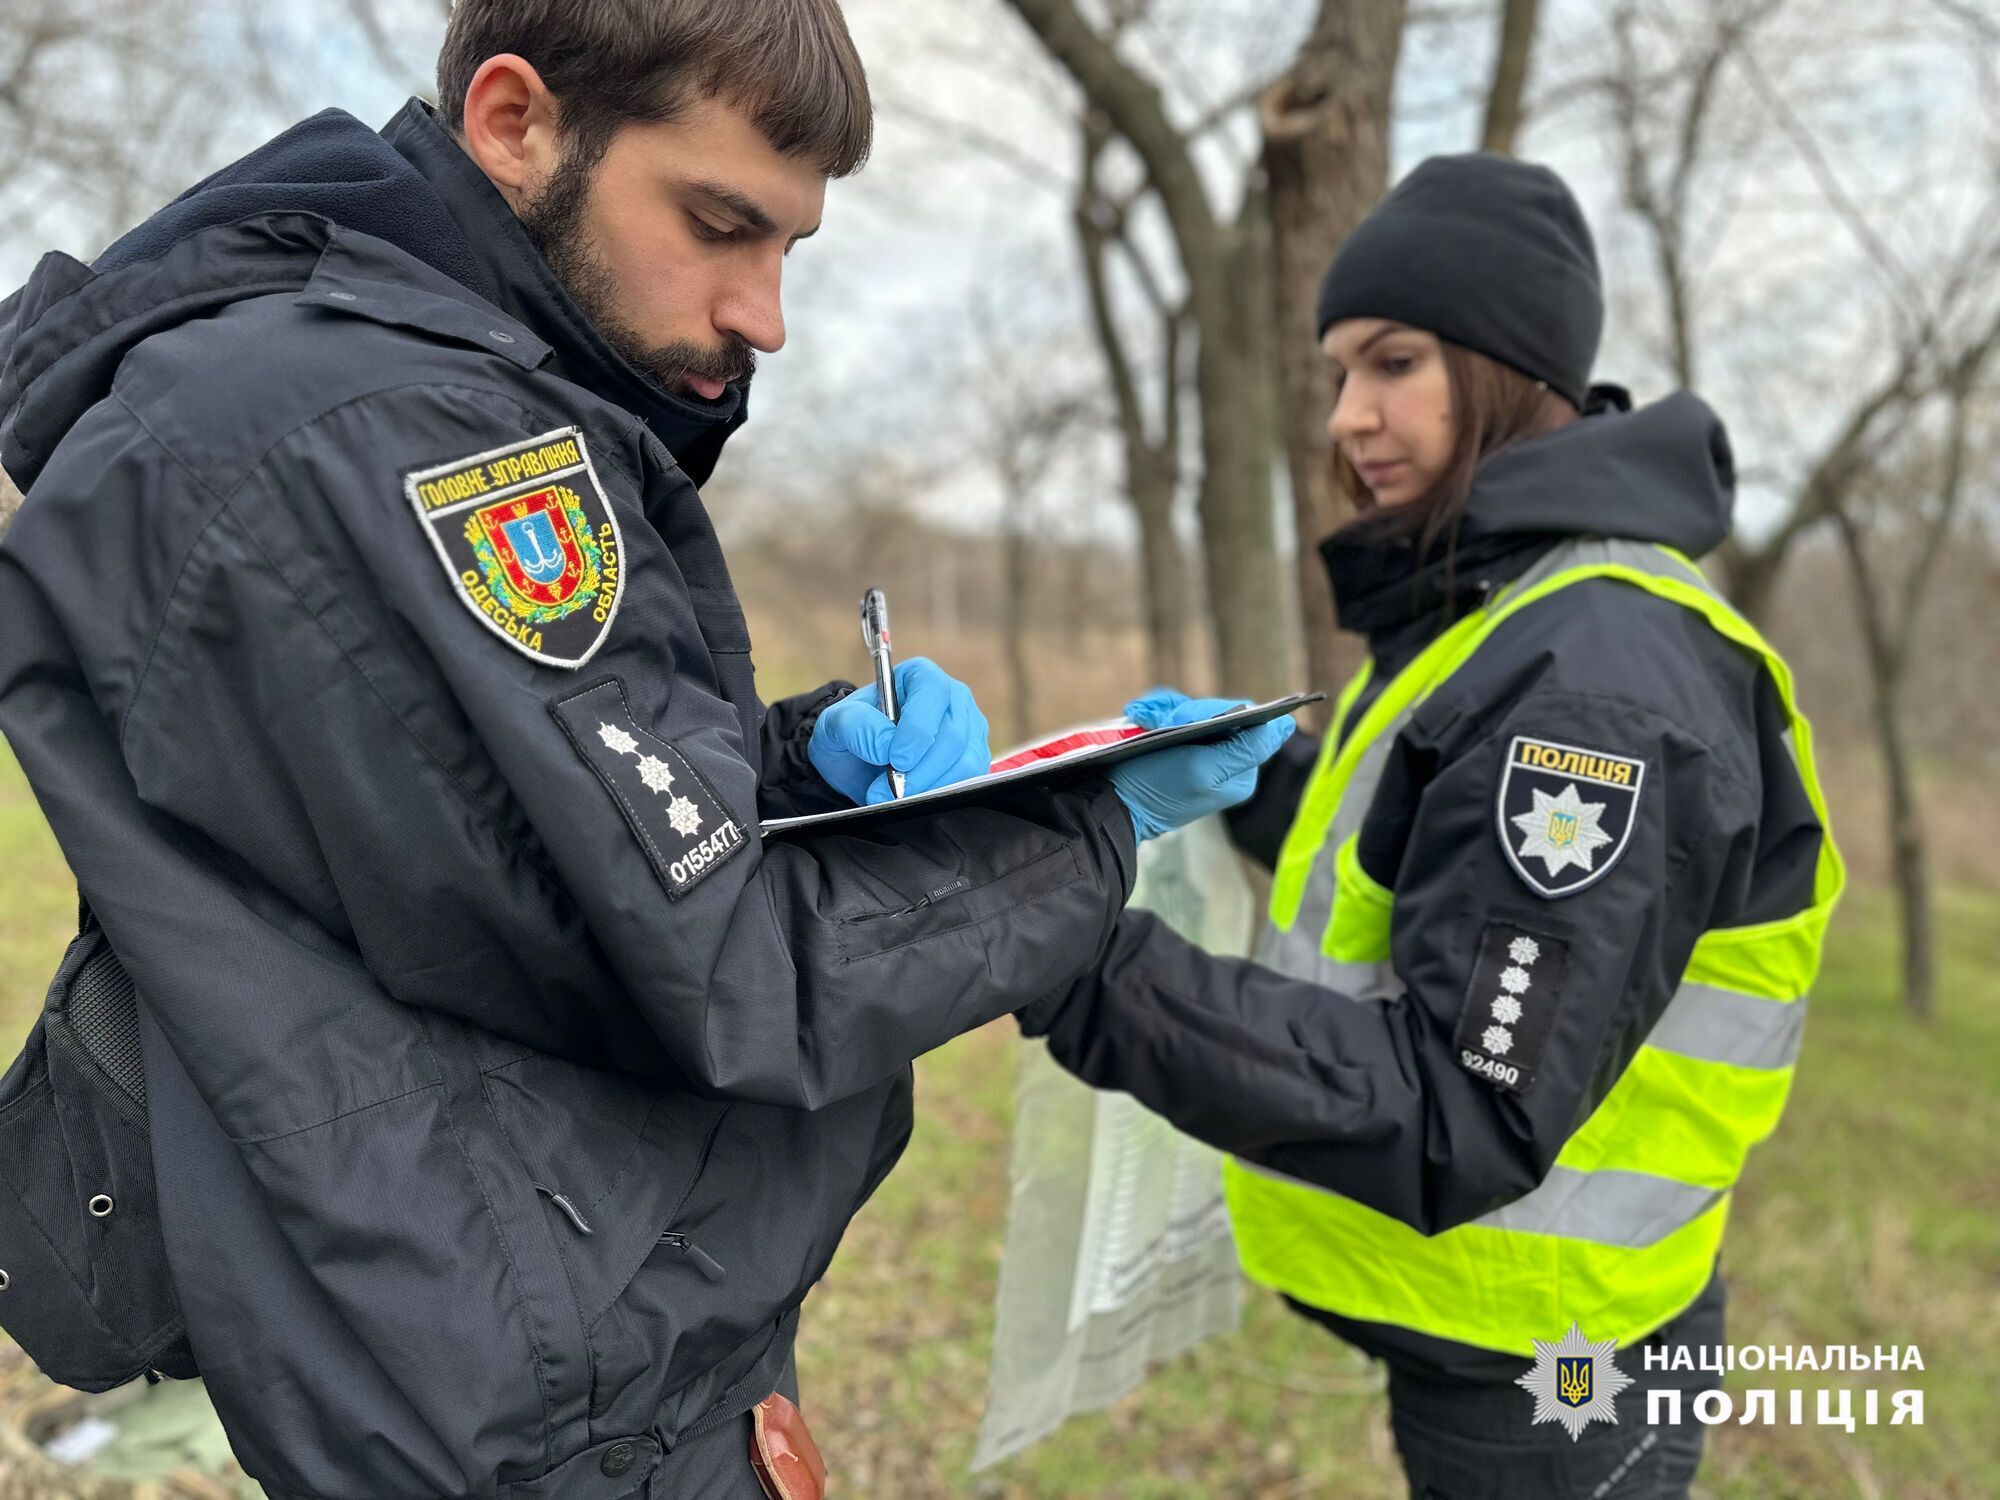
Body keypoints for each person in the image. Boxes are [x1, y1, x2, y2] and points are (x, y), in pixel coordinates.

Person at [0, 4, 1291, 1496]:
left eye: (789, 249)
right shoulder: (403, 431)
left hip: (557, 1337)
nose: (766, 315)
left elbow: (479, 838)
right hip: (544, 1410)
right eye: (718, 223)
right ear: (513, 121)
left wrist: (801, 763)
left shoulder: (382, 388)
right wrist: (1087, 822)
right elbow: (728, 968)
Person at [1022, 153, 1842, 1498]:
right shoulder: (1505, 609)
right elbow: (1424, 867)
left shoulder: (1597, 680)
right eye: (1337, 373)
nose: (1349, 417)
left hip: (1561, 1377)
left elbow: (1463, 1107)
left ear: (1508, 367)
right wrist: (1249, 779)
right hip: (1492, 1330)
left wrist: (1074, 958)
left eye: (1393, 362)